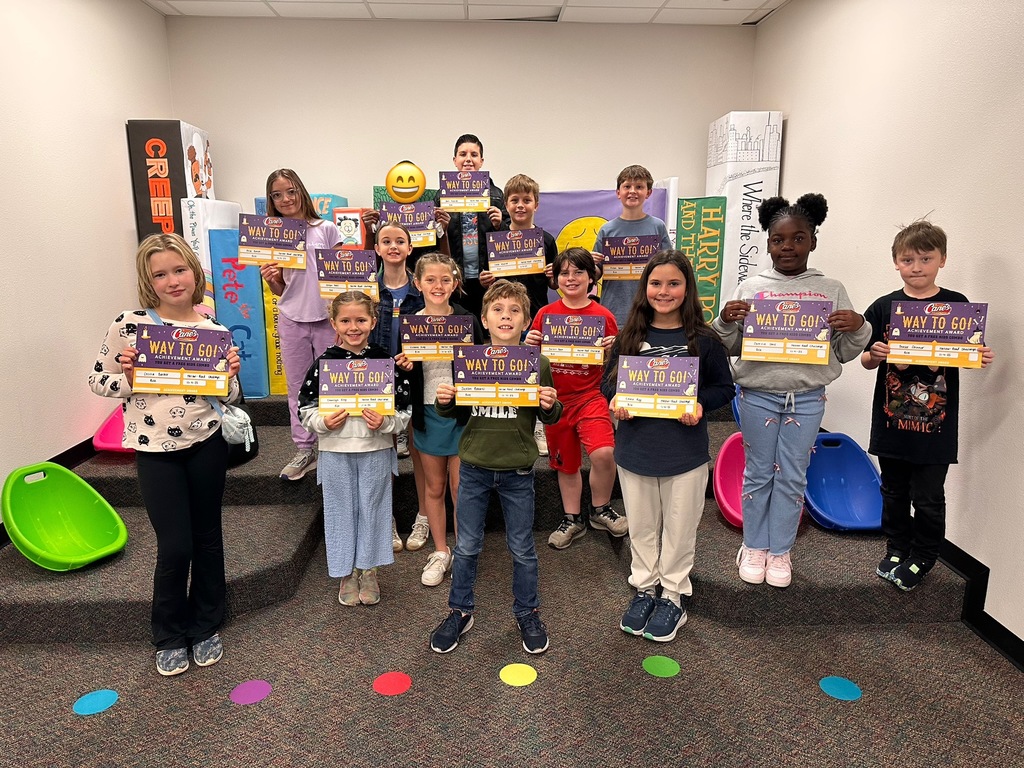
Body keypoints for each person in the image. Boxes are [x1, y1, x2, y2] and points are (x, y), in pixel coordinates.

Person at [89, 233, 241, 676]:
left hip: (205, 443)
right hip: (155, 450)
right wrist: (131, 377)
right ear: (148, 281)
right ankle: (169, 633)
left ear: (195, 273)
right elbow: (99, 381)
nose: (173, 280)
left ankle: (206, 624)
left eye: (179, 270)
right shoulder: (130, 324)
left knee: (208, 538)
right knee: (175, 545)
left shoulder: (215, 331)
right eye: (160, 274)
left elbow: (227, 397)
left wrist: (230, 376)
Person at [712, 193, 871, 588]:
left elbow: (844, 351)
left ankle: (780, 549)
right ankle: (754, 545)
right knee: (758, 472)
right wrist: (726, 321)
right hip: (757, 395)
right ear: (767, 243)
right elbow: (731, 346)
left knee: (793, 475)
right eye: (778, 240)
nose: (788, 247)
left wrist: (860, 326)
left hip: (807, 397)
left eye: (798, 238)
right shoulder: (750, 286)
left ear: (813, 241)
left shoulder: (831, 288)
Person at [601, 251, 734, 641]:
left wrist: (699, 403)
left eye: (673, 283)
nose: (664, 291)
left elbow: (724, 388)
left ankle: (672, 594)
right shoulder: (629, 335)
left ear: (687, 288)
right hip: (635, 449)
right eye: (656, 283)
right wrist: (615, 399)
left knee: (679, 528)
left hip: (685, 453)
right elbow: (608, 382)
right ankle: (644, 587)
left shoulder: (705, 340)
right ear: (645, 288)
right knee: (642, 526)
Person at [429, 280, 562, 655]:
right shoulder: (468, 361)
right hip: (473, 467)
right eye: (498, 310)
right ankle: (459, 611)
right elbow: (453, 411)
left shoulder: (538, 363)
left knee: (522, 548)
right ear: (484, 319)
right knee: (467, 546)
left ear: (526, 320)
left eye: (514, 310)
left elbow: (551, 416)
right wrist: (444, 400)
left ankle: (527, 611)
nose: (506, 316)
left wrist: (550, 404)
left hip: (518, 471)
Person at [861, 221, 994, 591]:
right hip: (891, 422)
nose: (917, 266)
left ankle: (924, 555)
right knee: (893, 490)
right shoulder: (884, 307)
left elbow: (966, 357)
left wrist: (977, 356)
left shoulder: (957, 306)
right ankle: (896, 546)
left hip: (936, 426)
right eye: (908, 259)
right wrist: (874, 353)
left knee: (929, 497)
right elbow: (866, 360)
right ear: (896, 262)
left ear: (942, 260)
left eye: (925, 258)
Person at [297, 291, 412, 607]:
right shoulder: (324, 364)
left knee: (373, 509)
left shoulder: (385, 363)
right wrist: (323, 421)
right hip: (335, 451)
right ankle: (347, 572)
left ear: (373, 321)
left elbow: (404, 410)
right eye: (345, 320)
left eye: (361, 319)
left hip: (375, 450)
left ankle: (369, 569)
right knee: (340, 510)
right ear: (333, 323)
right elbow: (304, 408)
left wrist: (386, 423)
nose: (353, 326)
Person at [394, 252, 485, 586]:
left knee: (462, 486)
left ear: (455, 283)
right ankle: (441, 550)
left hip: (462, 414)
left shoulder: (467, 319)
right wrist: (405, 365)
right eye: (430, 279)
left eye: (445, 279)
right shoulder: (410, 323)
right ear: (417, 284)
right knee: (434, 486)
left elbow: (481, 368)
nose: (438, 285)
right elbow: (401, 375)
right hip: (428, 412)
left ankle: (465, 550)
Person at [525, 247, 625, 549]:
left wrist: (612, 350)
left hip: (591, 396)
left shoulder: (603, 315)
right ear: (555, 278)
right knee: (565, 465)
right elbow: (531, 363)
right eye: (564, 272)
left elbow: (616, 367)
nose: (571, 278)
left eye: (578, 271)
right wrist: (528, 344)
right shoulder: (544, 314)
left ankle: (600, 509)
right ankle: (572, 518)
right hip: (555, 402)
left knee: (604, 453)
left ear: (591, 277)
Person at [259, 169, 342, 481]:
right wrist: (273, 280)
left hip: (326, 318)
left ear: (302, 192)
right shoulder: (273, 234)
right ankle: (305, 448)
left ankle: (331, 446)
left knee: (331, 385)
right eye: (277, 195)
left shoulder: (327, 229)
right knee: (297, 387)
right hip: (292, 318)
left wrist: (341, 317)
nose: (285, 199)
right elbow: (282, 289)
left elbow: (340, 277)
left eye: (290, 191)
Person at [367, 222, 425, 546]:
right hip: (377, 380)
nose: (393, 246)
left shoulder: (421, 289)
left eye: (399, 241)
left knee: (419, 449)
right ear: (376, 249)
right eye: (385, 241)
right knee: (384, 451)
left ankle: (423, 518)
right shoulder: (367, 288)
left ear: (409, 248)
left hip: (414, 378)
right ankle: (385, 520)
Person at [591, 164, 672, 327]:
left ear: (648, 192)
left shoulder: (658, 226)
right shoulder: (607, 230)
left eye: (639, 186)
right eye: (627, 186)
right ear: (618, 192)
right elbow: (597, 273)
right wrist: (589, 264)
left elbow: (670, 268)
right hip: (614, 310)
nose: (633, 191)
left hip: (650, 311)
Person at [440, 133, 510, 319]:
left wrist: (499, 225)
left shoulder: (496, 195)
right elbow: (434, 243)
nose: (468, 159)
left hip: (487, 280)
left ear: (481, 161)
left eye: (474, 154)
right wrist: (441, 227)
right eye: (463, 154)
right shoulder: (442, 197)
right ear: (455, 160)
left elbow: (511, 242)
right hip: (455, 280)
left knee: (487, 330)